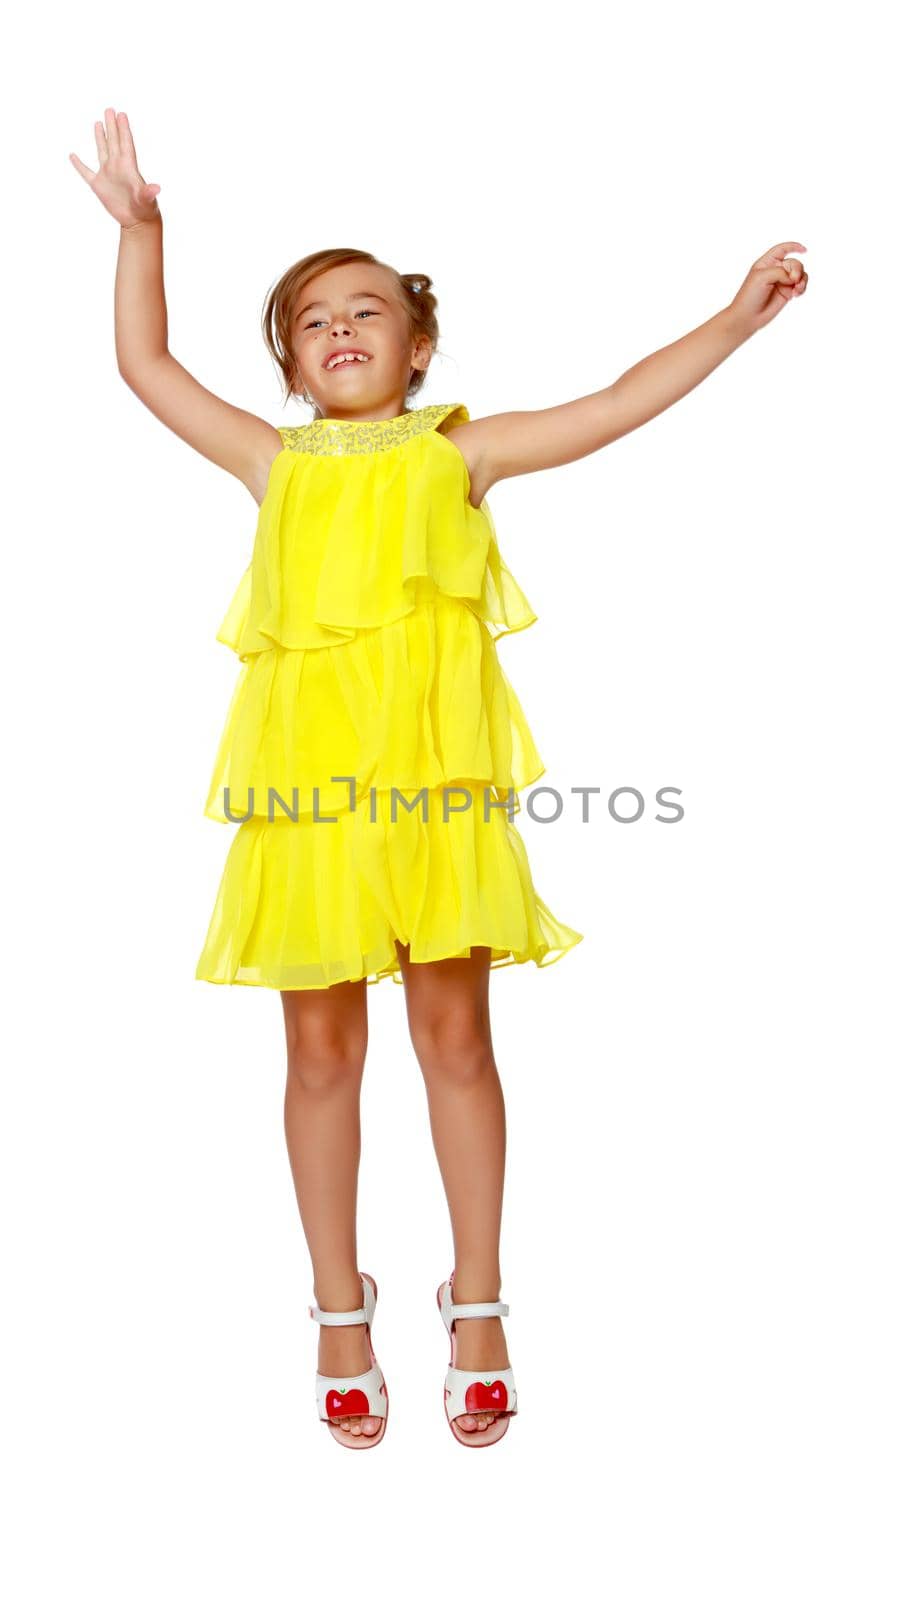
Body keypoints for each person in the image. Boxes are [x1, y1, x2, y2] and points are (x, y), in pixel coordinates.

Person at [70, 106, 808, 1453]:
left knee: (457, 1041)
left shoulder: (458, 455)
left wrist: (735, 317)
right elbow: (142, 361)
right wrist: (144, 231)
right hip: (305, 814)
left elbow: (614, 403)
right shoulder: (272, 461)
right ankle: (337, 1308)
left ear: (417, 344)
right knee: (318, 1051)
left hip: (431, 811)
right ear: (291, 365)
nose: (340, 329)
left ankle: (479, 1301)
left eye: (366, 311)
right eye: (310, 320)